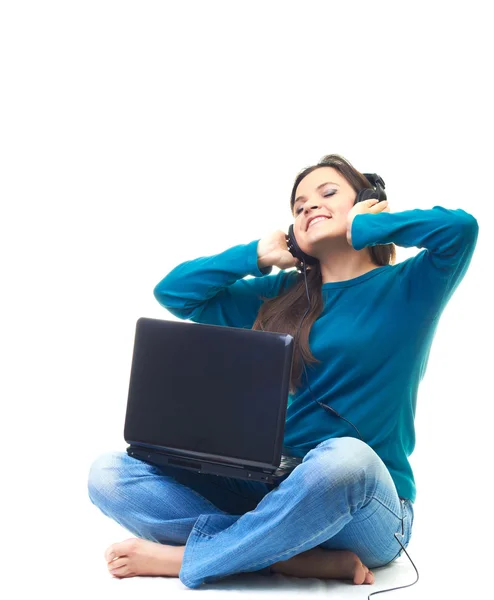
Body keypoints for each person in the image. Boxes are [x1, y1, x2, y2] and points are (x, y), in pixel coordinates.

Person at [87, 154, 479, 589]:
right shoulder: (280, 296)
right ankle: (286, 554)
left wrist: (369, 226)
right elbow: (176, 292)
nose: (310, 206)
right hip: (275, 489)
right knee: (109, 475)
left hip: (367, 502)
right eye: (299, 206)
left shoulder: (412, 285)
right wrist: (257, 255)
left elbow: (461, 230)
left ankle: (191, 559)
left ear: (367, 201)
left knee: (343, 456)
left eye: (328, 194)